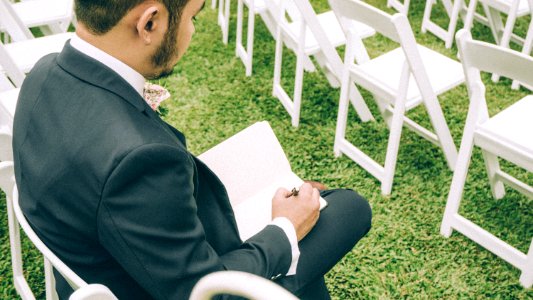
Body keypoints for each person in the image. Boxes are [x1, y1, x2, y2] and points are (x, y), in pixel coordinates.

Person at [12, 0, 372, 299]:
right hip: (153, 284)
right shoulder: (137, 159)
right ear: (149, 23)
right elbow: (204, 292)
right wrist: (284, 228)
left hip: (115, 256)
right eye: (193, 17)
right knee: (348, 208)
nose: (194, 31)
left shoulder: (44, 73)